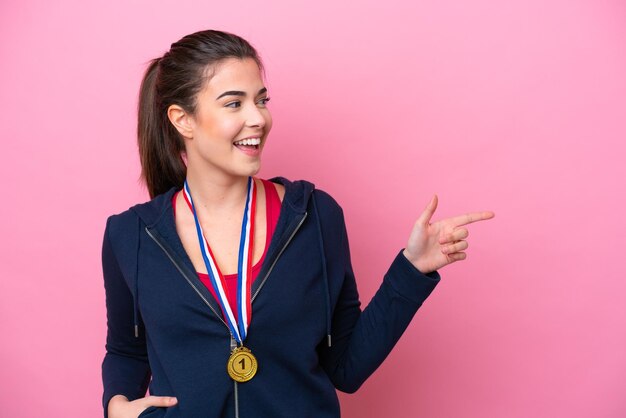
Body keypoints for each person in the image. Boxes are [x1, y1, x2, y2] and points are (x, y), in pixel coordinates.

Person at [101, 29, 494, 418]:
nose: (258, 118)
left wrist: (412, 270)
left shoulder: (316, 217)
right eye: (234, 104)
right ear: (182, 120)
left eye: (261, 100)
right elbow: (126, 349)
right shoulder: (131, 236)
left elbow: (346, 367)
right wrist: (116, 404)